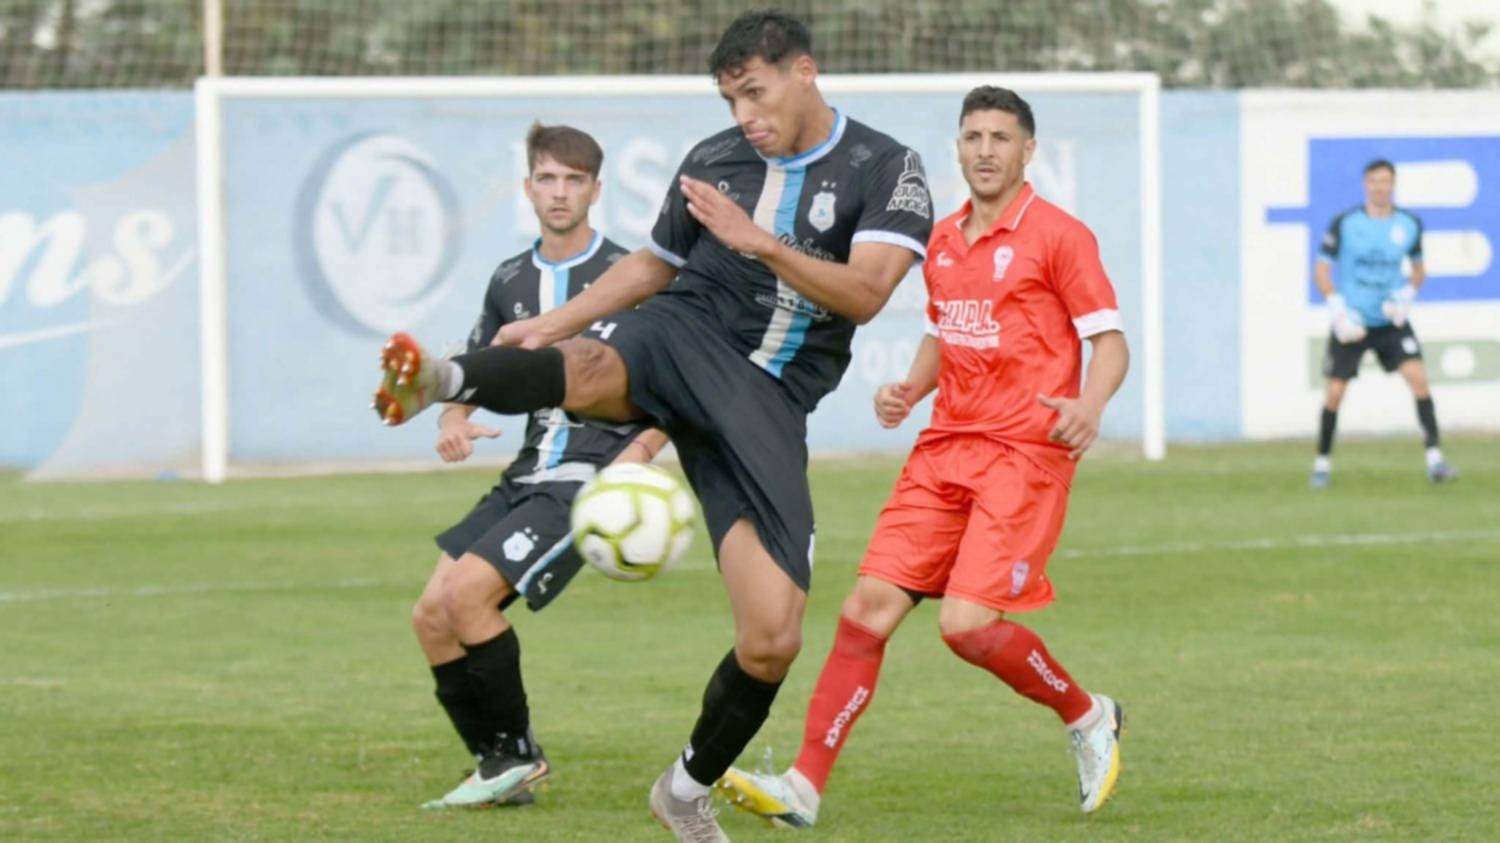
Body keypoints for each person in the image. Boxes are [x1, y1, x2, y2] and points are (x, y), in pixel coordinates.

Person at [372, 11, 931, 840]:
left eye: (755, 91)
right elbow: (653, 265)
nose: (744, 113)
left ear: (803, 71)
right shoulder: (712, 159)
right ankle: (442, 377)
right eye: (731, 97)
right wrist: (558, 322)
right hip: (685, 333)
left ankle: (683, 788)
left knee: (772, 638)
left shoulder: (886, 166)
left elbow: (868, 293)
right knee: (594, 367)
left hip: (766, 401)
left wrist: (759, 243)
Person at [715, 86, 1131, 829]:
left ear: (1027, 150)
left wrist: (1089, 406)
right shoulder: (941, 241)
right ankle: (804, 786)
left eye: (1001, 137)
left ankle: (1088, 712)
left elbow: (1109, 340)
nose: (985, 150)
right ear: (959, 147)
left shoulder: (1061, 236)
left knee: (967, 626)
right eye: (973, 136)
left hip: (1023, 455)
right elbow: (948, 331)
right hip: (943, 448)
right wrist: (911, 386)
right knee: (863, 612)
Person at [405, 122, 667, 809]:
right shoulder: (509, 279)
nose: (559, 192)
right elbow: (474, 372)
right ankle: (497, 766)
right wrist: (453, 420)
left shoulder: (630, 275)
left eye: (573, 179)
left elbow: (676, 388)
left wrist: (633, 462)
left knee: (467, 596)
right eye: (547, 178)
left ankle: (518, 756)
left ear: (596, 189)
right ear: (528, 187)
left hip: (588, 473)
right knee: (432, 614)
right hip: (525, 471)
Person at [1311, 158, 1456, 488]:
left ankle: (1435, 460)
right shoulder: (1345, 223)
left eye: (1386, 181)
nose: (1380, 186)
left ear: (1393, 184)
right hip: (1354, 320)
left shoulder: (1408, 224)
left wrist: (1406, 295)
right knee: (1335, 392)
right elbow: (1321, 270)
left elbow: (1419, 270)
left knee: (1418, 378)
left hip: (1390, 320)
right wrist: (1337, 308)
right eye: (1374, 181)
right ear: (1366, 184)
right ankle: (1322, 464)